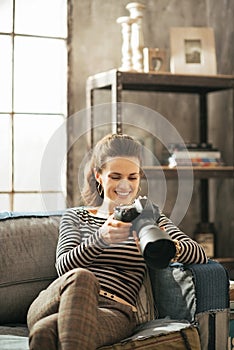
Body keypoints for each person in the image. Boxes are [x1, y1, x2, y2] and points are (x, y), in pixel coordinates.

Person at [27, 133, 208, 350]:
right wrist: (100, 239)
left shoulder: (149, 218)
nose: (125, 185)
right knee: (83, 278)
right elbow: (64, 266)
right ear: (98, 176)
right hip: (59, 300)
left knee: (44, 332)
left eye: (132, 177)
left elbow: (200, 253)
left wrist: (165, 243)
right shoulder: (77, 217)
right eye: (115, 176)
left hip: (114, 312)